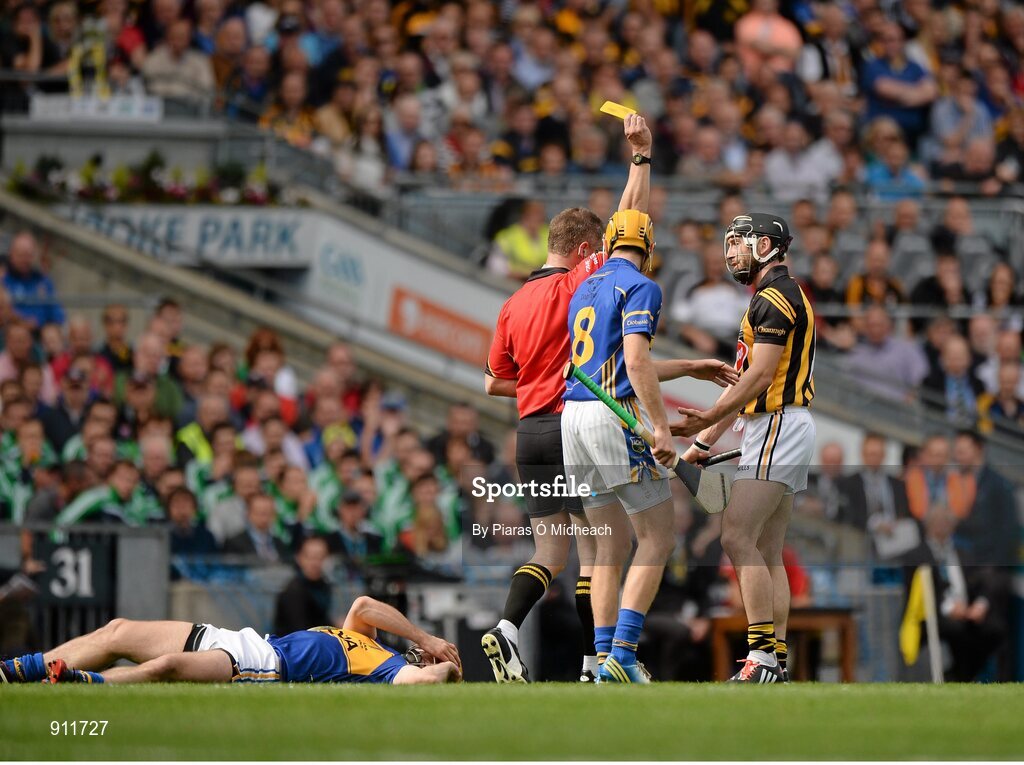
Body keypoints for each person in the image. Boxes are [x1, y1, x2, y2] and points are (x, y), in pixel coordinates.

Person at [560, 211, 737, 683]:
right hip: (610, 416)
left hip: (574, 418)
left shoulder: (586, 287)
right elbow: (636, 364)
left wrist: (690, 366)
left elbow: (621, 363)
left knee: (606, 549)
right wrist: (660, 426)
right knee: (657, 537)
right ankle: (622, 653)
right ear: (649, 247)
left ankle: (600, 663)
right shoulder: (643, 286)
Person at [672, 212, 816, 684]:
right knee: (768, 550)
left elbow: (756, 379)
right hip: (772, 425)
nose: (731, 251)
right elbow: (745, 386)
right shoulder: (767, 298)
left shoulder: (776, 298)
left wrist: (707, 419)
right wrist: (703, 440)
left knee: (735, 535)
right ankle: (775, 659)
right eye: (730, 242)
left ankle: (763, 660)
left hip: (778, 425)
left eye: (741, 242)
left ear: (769, 246)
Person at [2, 595, 461, 685]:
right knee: (118, 630)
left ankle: (85, 685)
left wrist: (444, 667)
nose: (417, 652)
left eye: (417, 654)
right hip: (236, 637)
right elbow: (363, 605)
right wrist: (429, 637)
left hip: (258, 667)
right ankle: (18, 669)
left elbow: (430, 681)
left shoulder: (388, 670)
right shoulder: (365, 637)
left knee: (164, 669)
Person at [273, 536, 332, 634]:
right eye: (310, 557)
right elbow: (299, 631)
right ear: (299, 558)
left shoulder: (324, 585)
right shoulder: (293, 592)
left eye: (320, 557)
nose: (315, 563)